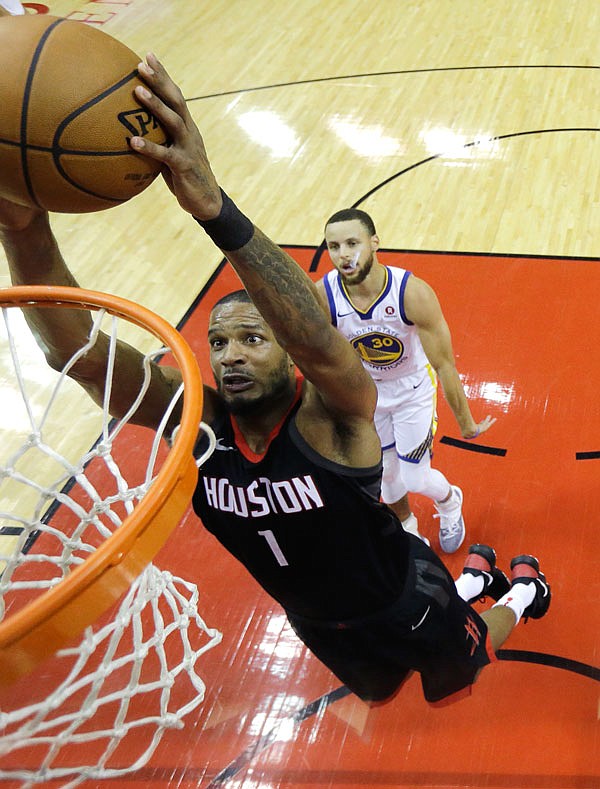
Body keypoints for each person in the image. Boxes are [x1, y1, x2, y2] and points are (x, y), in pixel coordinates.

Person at [0, 54, 551, 706]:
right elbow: (85, 359)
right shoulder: (199, 425)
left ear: (289, 358)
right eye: (220, 341)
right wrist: (26, 228)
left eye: (255, 338)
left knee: (465, 667)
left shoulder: (336, 413)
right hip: (318, 624)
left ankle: (521, 592)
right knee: (379, 691)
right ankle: (478, 582)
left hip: (406, 597)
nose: (232, 353)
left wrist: (213, 207)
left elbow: (320, 339)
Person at [317, 210, 496, 552]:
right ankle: (409, 529)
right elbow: (313, 358)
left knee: (414, 476)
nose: (343, 254)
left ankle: (449, 502)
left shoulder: (411, 293)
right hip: (367, 396)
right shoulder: (323, 296)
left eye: (352, 243)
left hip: (412, 390)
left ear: (374, 244)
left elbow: (444, 365)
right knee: (385, 475)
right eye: (334, 246)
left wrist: (466, 423)